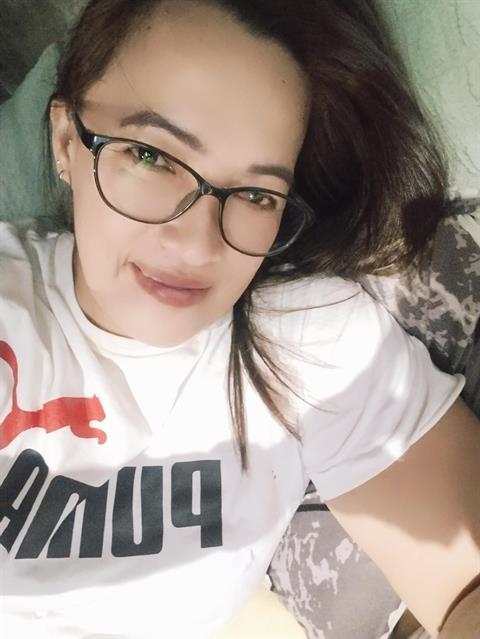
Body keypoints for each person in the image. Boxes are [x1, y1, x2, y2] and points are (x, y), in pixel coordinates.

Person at [0, 1, 478, 637]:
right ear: (66, 141)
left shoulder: (309, 342)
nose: (198, 246)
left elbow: (464, 587)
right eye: (152, 157)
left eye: (257, 195)